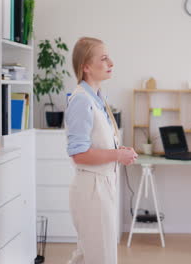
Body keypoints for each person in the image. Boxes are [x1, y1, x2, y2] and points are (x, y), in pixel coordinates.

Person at [65, 37, 138, 264]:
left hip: (102, 185)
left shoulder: (97, 99)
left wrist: (119, 149)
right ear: (85, 67)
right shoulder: (81, 101)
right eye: (104, 58)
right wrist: (117, 155)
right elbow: (79, 154)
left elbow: (97, 143)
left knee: (90, 255)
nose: (111, 63)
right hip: (92, 189)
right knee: (101, 256)